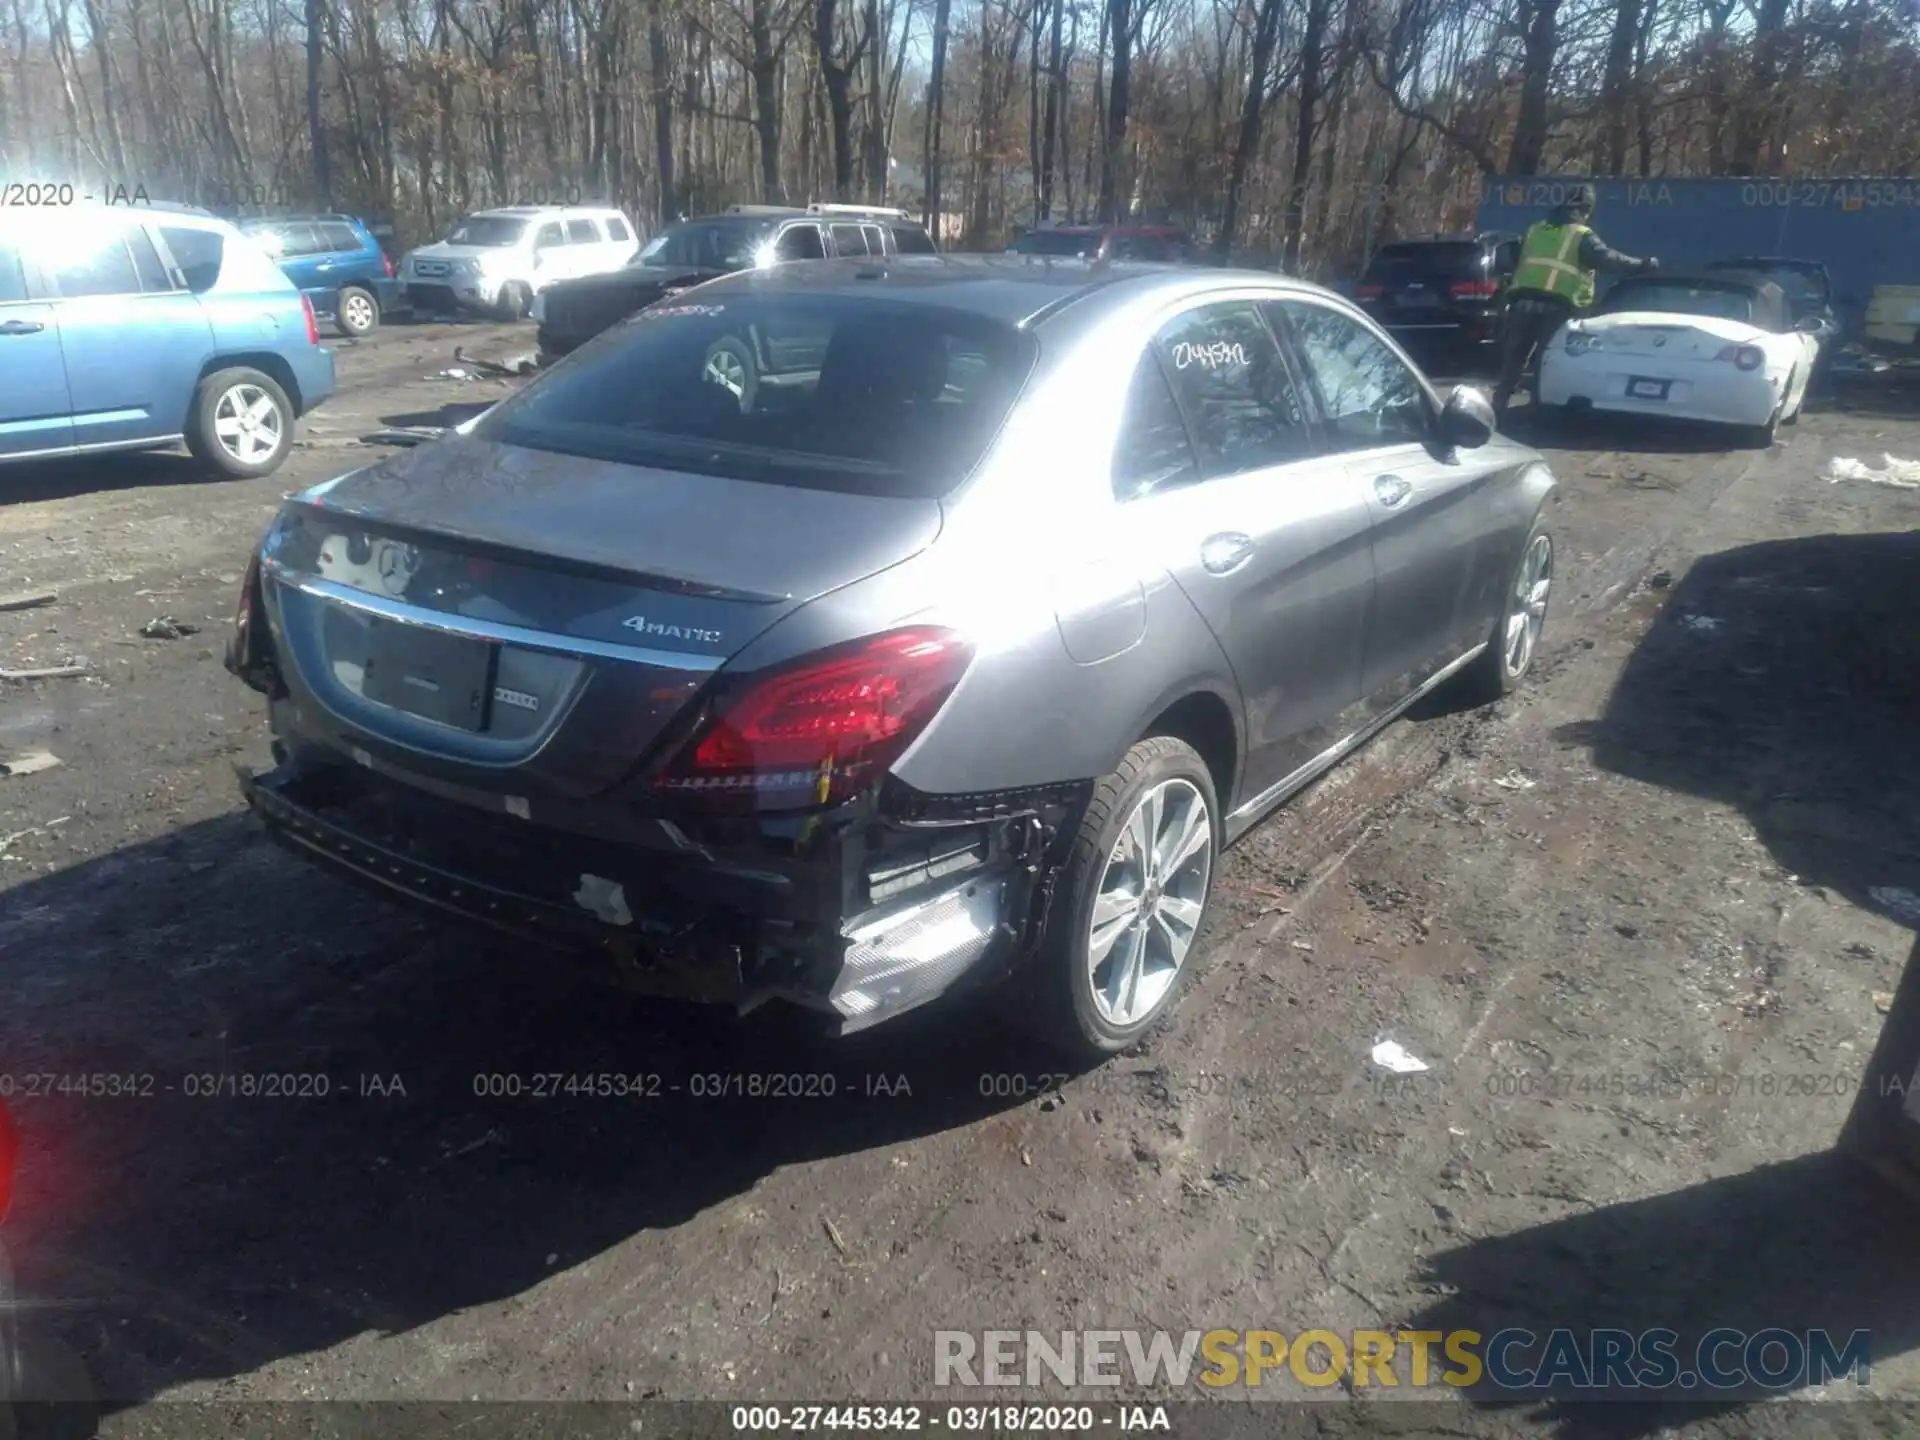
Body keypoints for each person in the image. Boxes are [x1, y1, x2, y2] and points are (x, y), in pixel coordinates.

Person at [1493, 186, 1659, 417]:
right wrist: (1642, 265)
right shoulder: (1581, 236)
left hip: (1522, 304)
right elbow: (1609, 259)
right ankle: (1537, 414)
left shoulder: (1535, 230)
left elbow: (1512, 258)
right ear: (1585, 210)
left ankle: (1497, 409)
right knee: (1547, 362)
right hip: (1556, 308)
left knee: (1513, 361)